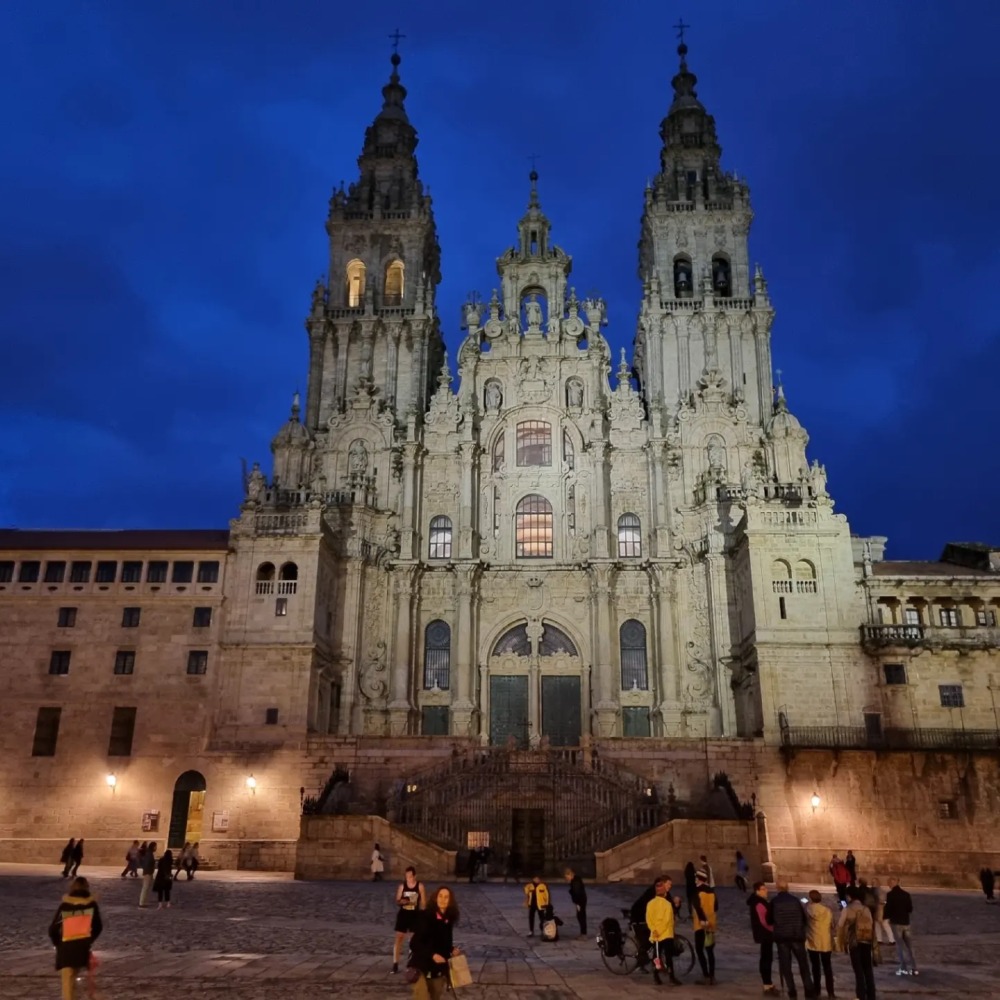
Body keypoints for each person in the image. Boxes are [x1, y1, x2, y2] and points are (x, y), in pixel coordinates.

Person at [49, 876, 103, 1000]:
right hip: (82, 947)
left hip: (66, 947)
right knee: (74, 980)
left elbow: (53, 929)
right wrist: (88, 940)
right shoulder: (91, 905)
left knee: (68, 984)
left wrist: (57, 943)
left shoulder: (65, 905)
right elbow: (98, 927)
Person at [407, 886, 460, 1000]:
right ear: (435, 898)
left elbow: (443, 943)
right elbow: (414, 943)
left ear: (450, 901)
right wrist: (432, 955)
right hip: (420, 966)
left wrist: (451, 949)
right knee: (422, 997)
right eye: (440, 896)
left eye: (446, 897)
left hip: (437, 970)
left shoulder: (448, 921)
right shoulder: (425, 917)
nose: (443, 899)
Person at [769, 879, 817, 998]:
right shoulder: (795, 901)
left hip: (782, 937)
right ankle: (809, 989)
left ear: (777, 888)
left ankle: (792, 990)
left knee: (786, 965)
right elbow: (804, 918)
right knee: (803, 964)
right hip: (796, 936)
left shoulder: (774, 902)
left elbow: (769, 919)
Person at [837, 886, 876, 999]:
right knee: (868, 969)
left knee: (858, 971)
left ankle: (860, 995)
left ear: (850, 896)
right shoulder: (866, 909)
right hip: (866, 940)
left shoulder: (847, 909)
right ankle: (871, 995)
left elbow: (840, 925)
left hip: (854, 942)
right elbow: (871, 923)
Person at [646, 875, 682, 986]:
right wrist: (660, 931)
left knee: (656, 956)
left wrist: (654, 930)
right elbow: (667, 920)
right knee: (668, 956)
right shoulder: (667, 904)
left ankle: (656, 976)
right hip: (666, 934)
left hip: (656, 934)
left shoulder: (650, 903)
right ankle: (671, 976)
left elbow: (649, 918)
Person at [392, 866, 426, 974]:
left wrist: (423, 914)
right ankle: (395, 963)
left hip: (414, 915)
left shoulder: (419, 886)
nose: (408, 879)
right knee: (399, 937)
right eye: (407, 877)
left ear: (414, 876)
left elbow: (423, 902)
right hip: (403, 914)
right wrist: (402, 901)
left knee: (412, 940)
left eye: (410, 877)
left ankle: (411, 963)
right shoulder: (402, 886)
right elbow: (397, 900)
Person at [882, 876, 918, 977]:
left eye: (889, 882)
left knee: (900, 946)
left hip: (896, 923)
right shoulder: (906, 894)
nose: (888, 884)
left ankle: (903, 967)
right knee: (910, 946)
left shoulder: (890, 895)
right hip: (906, 922)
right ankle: (914, 967)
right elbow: (910, 909)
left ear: (893, 882)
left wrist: (885, 917)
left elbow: (888, 908)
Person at [805, 889, 835, 999]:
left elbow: (805, 923)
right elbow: (832, 925)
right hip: (825, 941)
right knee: (828, 968)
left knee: (815, 968)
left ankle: (816, 991)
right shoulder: (827, 910)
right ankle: (830, 992)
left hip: (813, 941)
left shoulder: (808, 909)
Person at [748, 882, 777, 994]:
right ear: (757, 891)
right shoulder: (759, 903)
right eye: (763, 889)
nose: (766, 890)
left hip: (764, 934)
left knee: (766, 958)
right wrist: (773, 929)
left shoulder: (759, 901)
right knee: (766, 959)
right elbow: (764, 921)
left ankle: (767, 982)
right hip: (765, 934)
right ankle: (767, 983)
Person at [692, 867, 717, 985]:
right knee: (710, 950)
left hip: (700, 925)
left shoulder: (696, 891)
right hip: (711, 925)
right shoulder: (712, 891)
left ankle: (706, 976)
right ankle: (712, 976)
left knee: (699, 950)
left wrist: (702, 919)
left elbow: (697, 907)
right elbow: (716, 906)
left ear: (698, 879)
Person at [565, 867, 588, 937]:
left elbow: (577, 893)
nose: (566, 879)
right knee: (580, 916)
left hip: (580, 901)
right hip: (581, 900)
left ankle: (583, 934)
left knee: (581, 916)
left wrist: (577, 903)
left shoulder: (575, 881)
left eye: (567, 877)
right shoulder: (575, 880)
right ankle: (583, 933)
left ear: (570, 874)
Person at [138, 841, 157, 908]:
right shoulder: (149, 854)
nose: (156, 848)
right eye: (155, 846)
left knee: (146, 887)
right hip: (148, 872)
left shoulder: (149, 853)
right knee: (145, 888)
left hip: (149, 872)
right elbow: (147, 863)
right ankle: (142, 903)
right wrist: (148, 871)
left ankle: (144, 902)